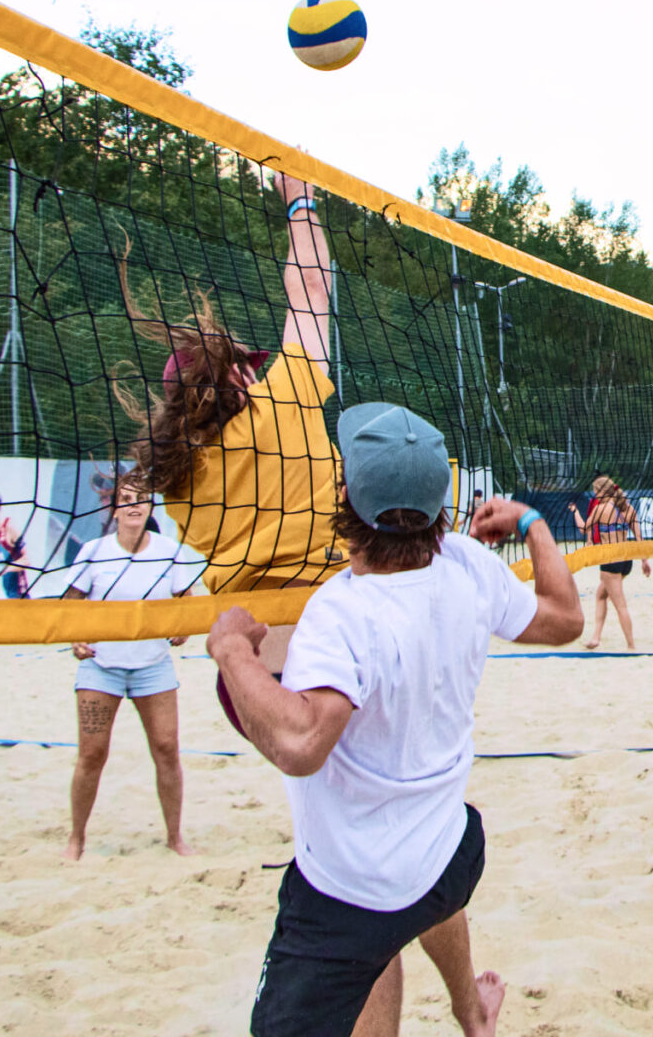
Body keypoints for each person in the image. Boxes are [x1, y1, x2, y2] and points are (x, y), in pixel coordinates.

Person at [208, 402, 583, 1037]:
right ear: (441, 511)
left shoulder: (340, 612)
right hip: (449, 854)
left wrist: (229, 650)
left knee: (366, 938)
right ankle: (472, 1014)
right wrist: (533, 521)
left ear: (345, 497)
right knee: (420, 900)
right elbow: (566, 619)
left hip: (345, 892)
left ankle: (462, 1005)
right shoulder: (467, 564)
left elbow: (302, 742)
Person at [117, 169, 339, 679]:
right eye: (248, 364)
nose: (258, 370)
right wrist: (299, 201)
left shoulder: (177, 479)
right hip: (327, 623)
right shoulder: (286, 400)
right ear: (234, 376)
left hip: (252, 659)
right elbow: (311, 286)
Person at [60, 472, 206, 860]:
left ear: (149, 505)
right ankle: (76, 839)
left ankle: (175, 838)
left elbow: (186, 599)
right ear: (115, 506)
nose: (133, 505)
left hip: (152, 666)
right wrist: (74, 637)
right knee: (92, 754)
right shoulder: (94, 550)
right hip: (101, 665)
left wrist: (183, 626)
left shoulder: (168, 550)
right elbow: (69, 604)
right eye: (126, 498)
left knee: (166, 748)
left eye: (140, 498)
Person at [568, 476, 651, 651]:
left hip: (610, 559)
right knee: (600, 595)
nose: (594, 494)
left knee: (620, 605)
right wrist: (644, 561)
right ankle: (596, 638)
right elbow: (639, 538)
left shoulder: (600, 509)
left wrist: (575, 512)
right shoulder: (628, 508)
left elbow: (584, 528)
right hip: (626, 560)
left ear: (601, 491)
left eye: (595, 491)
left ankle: (631, 645)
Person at [0, 489, 31, 599]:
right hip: (9, 595)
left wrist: (6, 569)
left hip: (20, 595)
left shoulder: (9, 527)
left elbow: (26, 560)